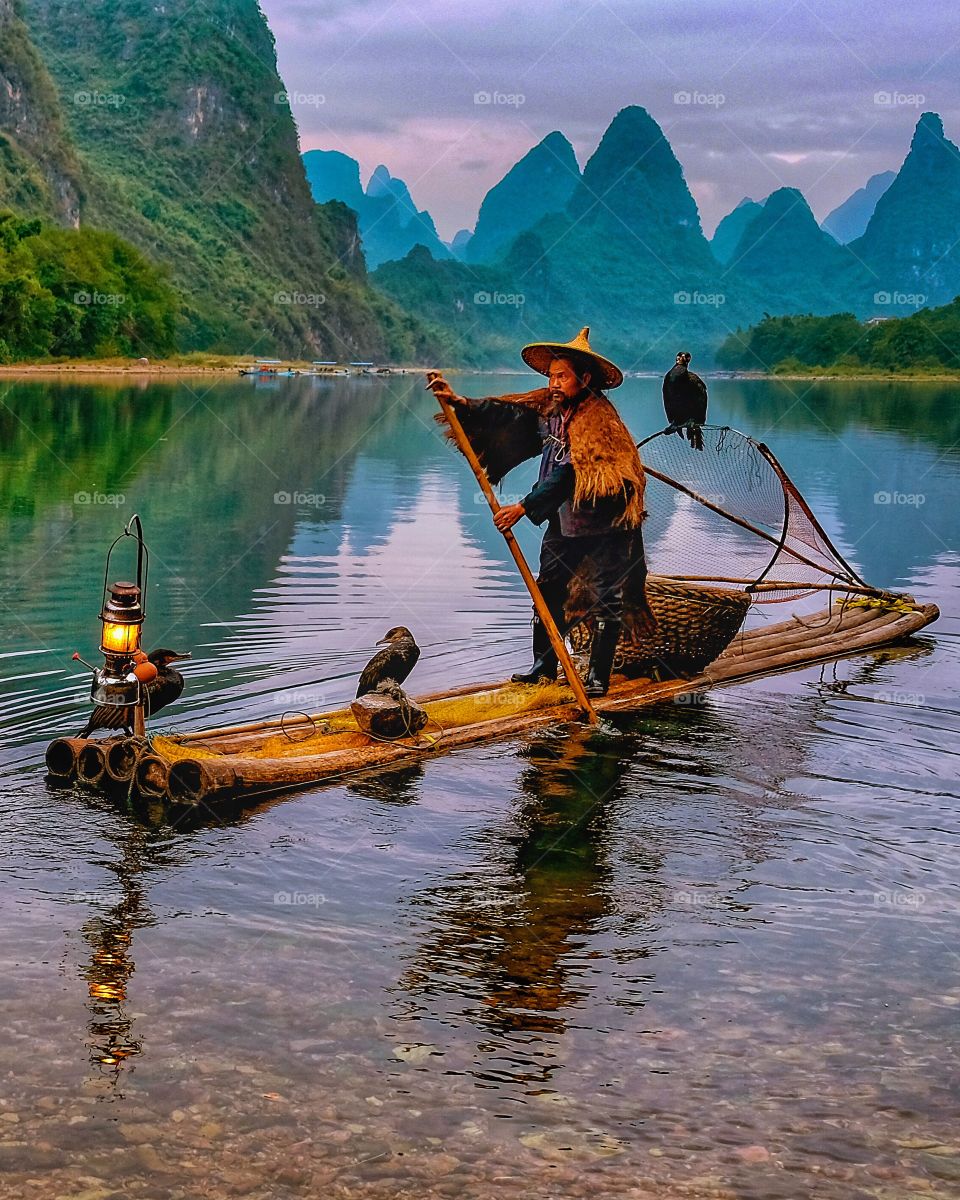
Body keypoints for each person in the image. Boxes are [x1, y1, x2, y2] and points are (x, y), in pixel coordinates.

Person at [428, 327, 653, 697]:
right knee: (546, 589)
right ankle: (543, 667)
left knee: (605, 596)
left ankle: (598, 678)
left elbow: (570, 471)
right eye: (550, 375)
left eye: (561, 376)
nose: (553, 383)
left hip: (605, 523)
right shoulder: (552, 410)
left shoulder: (598, 419)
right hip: (564, 520)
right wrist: (459, 404)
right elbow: (507, 414)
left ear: (584, 378)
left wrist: (523, 507)